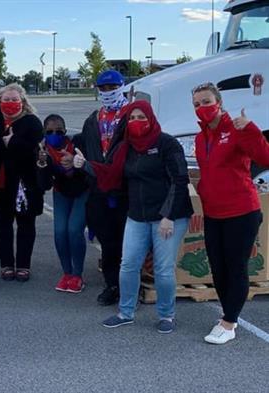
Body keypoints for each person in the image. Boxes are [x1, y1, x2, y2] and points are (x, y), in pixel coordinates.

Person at [74, 100, 193, 334]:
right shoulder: (125, 147)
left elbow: (180, 180)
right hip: (138, 215)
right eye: (132, 118)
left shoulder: (167, 144)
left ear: (151, 118)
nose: (137, 122)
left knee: (163, 269)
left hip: (169, 217)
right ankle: (125, 312)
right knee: (128, 265)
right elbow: (110, 175)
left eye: (142, 117)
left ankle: (167, 315)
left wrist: (168, 216)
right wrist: (85, 165)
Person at [191, 83, 269, 344]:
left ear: (219, 102)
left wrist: (251, 130)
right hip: (214, 213)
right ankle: (228, 314)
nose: (202, 107)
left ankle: (229, 322)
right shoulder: (201, 138)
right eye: (197, 104)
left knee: (236, 267)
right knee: (218, 267)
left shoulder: (237, 129)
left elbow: (265, 157)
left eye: (206, 101)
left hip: (242, 212)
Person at [80, 70, 129, 306]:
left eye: (112, 88)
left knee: (128, 242)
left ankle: (129, 285)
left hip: (126, 189)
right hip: (100, 187)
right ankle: (112, 285)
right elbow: (86, 147)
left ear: (122, 87)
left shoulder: (132, 115)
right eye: (103, 88)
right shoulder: (94, 118)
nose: (108, 92)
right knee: (108, 241)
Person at [0, 83, 44, 282]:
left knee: (25, 224)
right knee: (3, 225)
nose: (10, 103)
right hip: (0, 184)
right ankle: (6, 264)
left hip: (25, 184)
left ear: (22, 102)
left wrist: (14, 143)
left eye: (14, 100)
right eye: (6, 99)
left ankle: (23, 265)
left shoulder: (32, 122)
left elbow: (35, 151)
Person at [37, 114, 89, 293]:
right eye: (50, 131)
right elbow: (43, 185)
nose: (54, 134)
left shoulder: (77, 144)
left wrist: (75, 165)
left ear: (65, 131)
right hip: (61, 192)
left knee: (74, 230)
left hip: (82, 191)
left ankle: (77, 275)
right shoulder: (42, 150)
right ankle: (67, 273)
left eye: (59, 131)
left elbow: (90, 171)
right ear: (44, 132)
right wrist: (42, 164)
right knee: (60, 232)